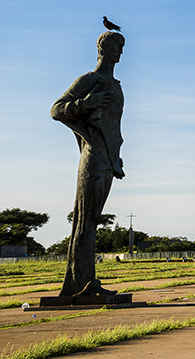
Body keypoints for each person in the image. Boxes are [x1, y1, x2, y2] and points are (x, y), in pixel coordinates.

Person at [51, 31, 126, 298]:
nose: (120, 52)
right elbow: (57, 109)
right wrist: (85, 103)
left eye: (122, 47)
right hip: (93, 157)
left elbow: (111, 127)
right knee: (85, 221)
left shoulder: (115, 84)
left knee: (92, 221)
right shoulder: (89, 80)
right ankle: (79, 283)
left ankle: (84, 281)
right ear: (102, 48)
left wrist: (115, 156)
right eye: (116, 46)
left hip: (107, 158)